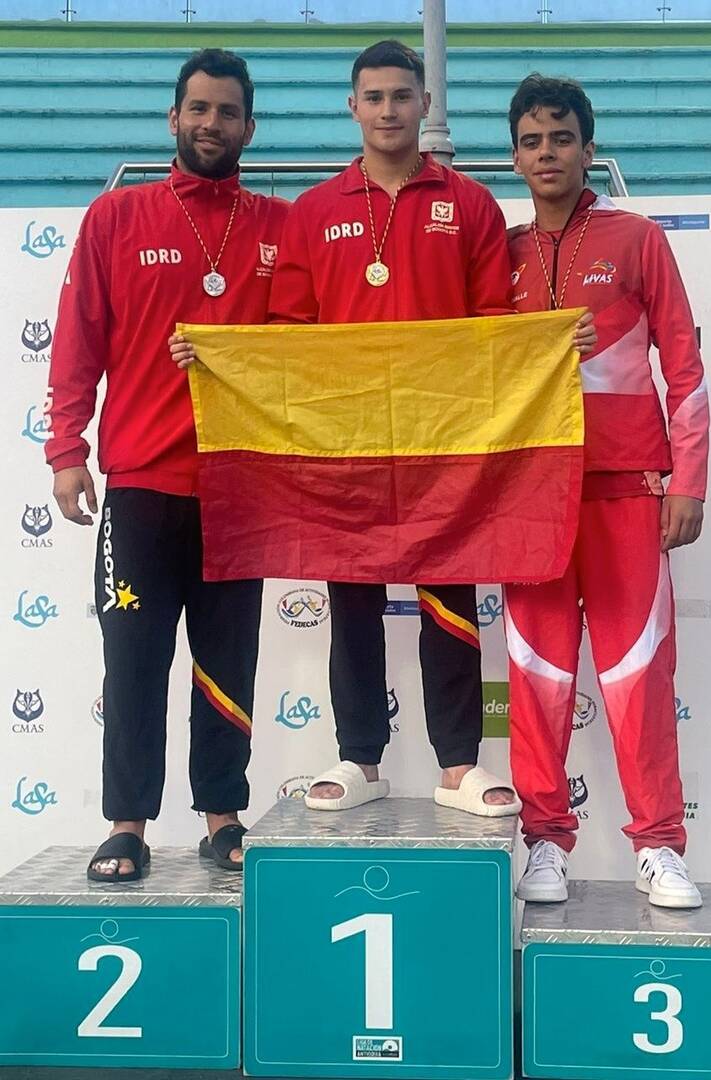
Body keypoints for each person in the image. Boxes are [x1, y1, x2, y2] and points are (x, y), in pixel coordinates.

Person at [171, 41, 596, 818]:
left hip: (447, 444)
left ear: (425, 104)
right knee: (354, 600)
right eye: (375, 97)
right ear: (353, 107)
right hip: (347, 447)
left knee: (449, 601)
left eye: (404, 95)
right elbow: (290, 335)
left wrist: (548, 345)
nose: (390, 110)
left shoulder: (467, 204)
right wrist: (215, 355)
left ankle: (458, 765)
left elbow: (496, 328)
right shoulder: (315, 212)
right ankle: (359, 757)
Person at [47, 48, 289, 881]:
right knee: (136, 659)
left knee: (228, 663)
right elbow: (77, 338)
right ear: (172, 119)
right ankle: (128, 825)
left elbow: (306, 352)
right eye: (198, 109)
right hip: (143, 486)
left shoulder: (277, 226)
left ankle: (223, 815)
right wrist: (65, 450)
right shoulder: (117, 218)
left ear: (250, 127)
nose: (211, 124)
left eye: (227, 112)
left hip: (239, 487)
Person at [504, 74, 709, 908]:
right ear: (515, 156)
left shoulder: (637, 240)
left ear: (589, 149)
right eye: (531, 140)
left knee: (637, 677)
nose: (546, 153)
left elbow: (685, 368)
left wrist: (687, 479)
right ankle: (545, 841)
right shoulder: (501, 255)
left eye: (560, 139)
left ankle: (659, 845)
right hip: (530, 503)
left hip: (627, 491)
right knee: (538, 678)